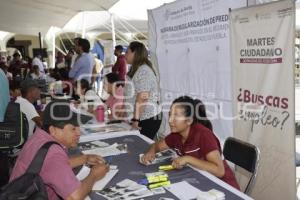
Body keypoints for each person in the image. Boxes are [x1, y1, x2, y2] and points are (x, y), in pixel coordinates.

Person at [10, 100, 109, 200]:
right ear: (53, 130)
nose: (79, 133)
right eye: (73, 129)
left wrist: (85, 158)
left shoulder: (40, 136)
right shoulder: (52, 153)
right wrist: (94, 175)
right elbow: (75, 197)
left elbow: (51, 167)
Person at [141, 96, 240, 190]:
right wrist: (151, 152)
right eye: (170, 114)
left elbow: (220, 171)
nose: (170, 120)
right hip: (202, 182)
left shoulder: (204, 135)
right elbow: (157, 146)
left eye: (176, 116)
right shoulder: (176, 134)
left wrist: (188, 159)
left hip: (223, 187)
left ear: (189, 120)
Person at [124, 41, 161, 139]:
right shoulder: (136, 69)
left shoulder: (144, 70)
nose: (125, 54)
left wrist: (136, 120)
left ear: (135, 53)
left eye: (127, 52)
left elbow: (142, 98)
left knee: (140, 147)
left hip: (146, 118)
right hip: (139, 117)